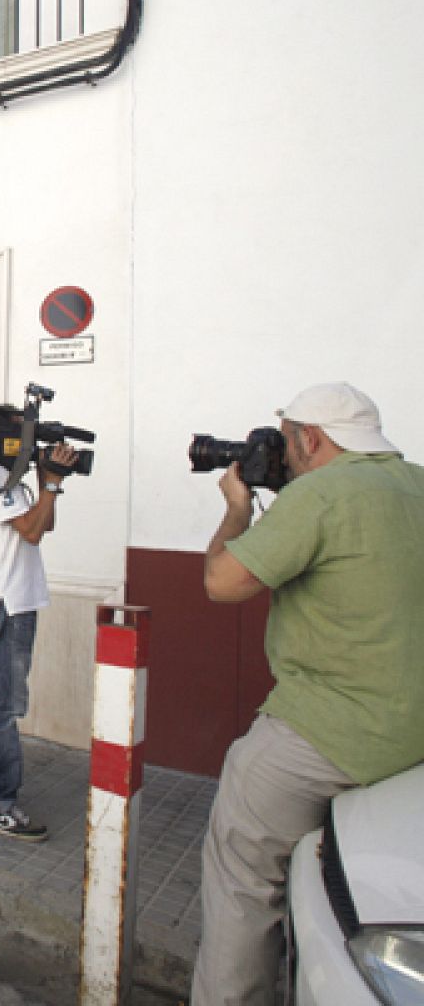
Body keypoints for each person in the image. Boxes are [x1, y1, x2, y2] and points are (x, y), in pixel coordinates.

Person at [189, 382, 424, 1005]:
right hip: (411, 746)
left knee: (243, 883)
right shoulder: (420, 484)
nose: (285, 458)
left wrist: (238, 509)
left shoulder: (322, 493)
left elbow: (222, 582)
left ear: (311, 438)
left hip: (320, 737)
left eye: (287, 444)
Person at [0, 439, 78, 842]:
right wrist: (53, 482)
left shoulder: (2, 480)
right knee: (2, 707)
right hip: (7, 606)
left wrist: (47, 481)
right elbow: (33, 532)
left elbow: (44, 521)